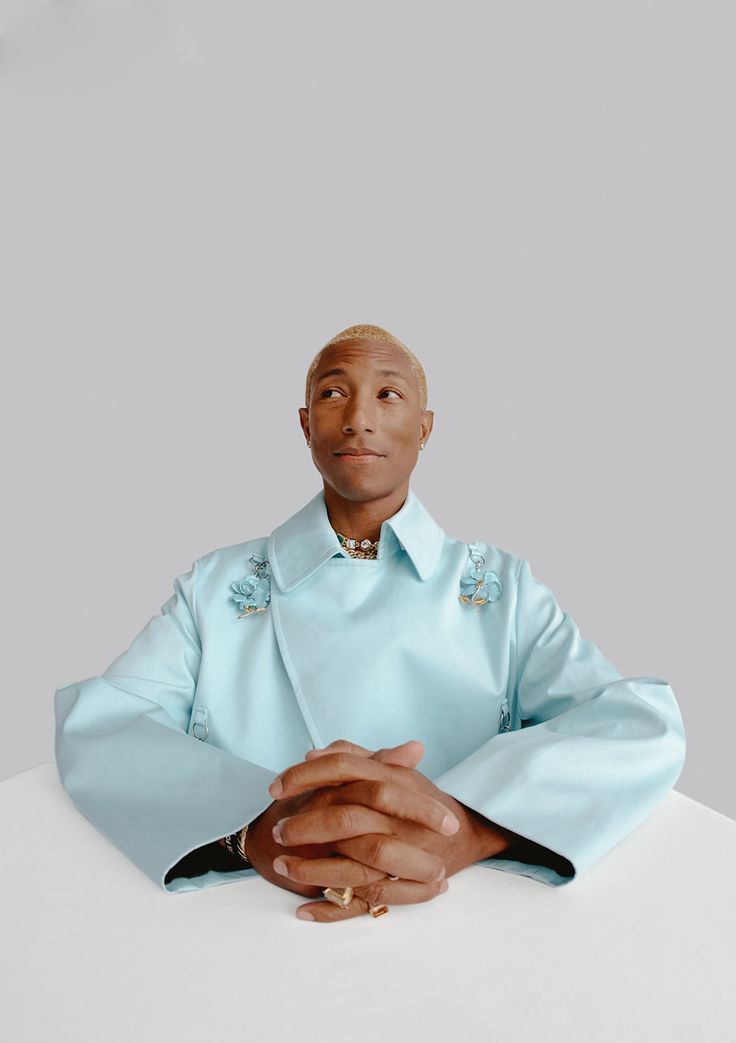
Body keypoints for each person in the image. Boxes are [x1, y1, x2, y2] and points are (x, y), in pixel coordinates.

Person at [54, 323, 686, 923]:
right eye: (333, 393)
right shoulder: (215, 589)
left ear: (425, 427)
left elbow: (638, 727)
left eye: (388, 394)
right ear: (305, 425)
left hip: (469, 925)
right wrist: (255, 835)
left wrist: (469, 827)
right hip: (252, 928)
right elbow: (102, 727)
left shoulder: (501, 588)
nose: (359, 418)